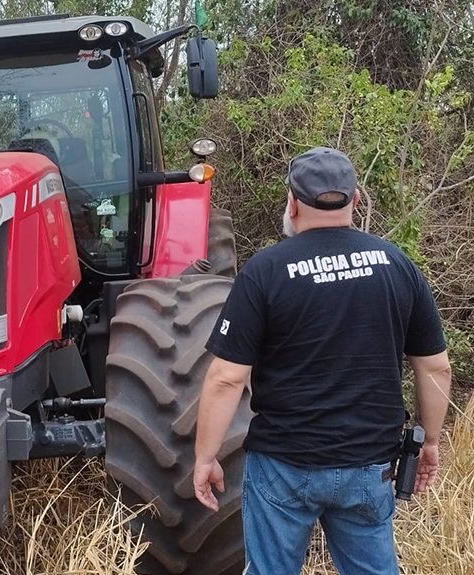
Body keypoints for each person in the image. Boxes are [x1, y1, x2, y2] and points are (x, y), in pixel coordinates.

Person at [192, 146, 452, 574]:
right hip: (369, 466)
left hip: (283, 467)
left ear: (292, 202)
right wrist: (432, 442)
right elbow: (435, 367)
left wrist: (205, 458)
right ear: (355, 200)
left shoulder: (264, 271)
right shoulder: (397, 265)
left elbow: (225, 379)